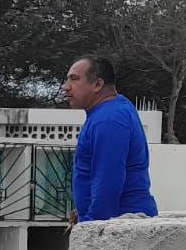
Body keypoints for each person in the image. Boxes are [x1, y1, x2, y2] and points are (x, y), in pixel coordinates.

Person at [63, 54, 158, 223]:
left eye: (74, 79)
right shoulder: (110, 110)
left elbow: (108, 179)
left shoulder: (108, 119)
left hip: (122, 221)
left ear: (98, 84)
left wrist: (91, 224)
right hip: (119, 218)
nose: (66, 86)